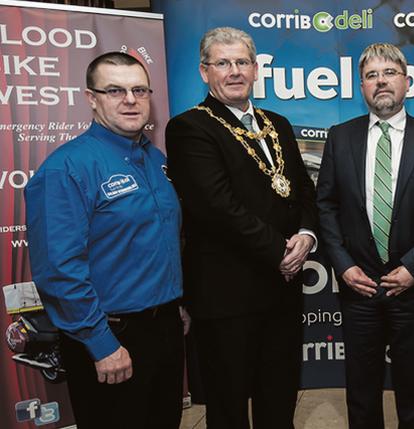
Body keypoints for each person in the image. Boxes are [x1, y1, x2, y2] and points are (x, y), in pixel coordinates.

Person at [165, 27, 317, 428]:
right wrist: (280, 253)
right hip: (226, 294)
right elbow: (217, 208)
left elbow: (301, 189)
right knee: (229, 405)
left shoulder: (278, 123)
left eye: (242, 62)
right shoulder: (189, 128)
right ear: (204, 71)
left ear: (255, 69)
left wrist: (306, 234)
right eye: (223, 63)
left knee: (279, 397)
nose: (234, 71)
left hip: (282, 292)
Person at [25, 52, 186, 429]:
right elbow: (58, 270)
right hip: (109, 334)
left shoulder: (155, 159)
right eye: (115, 90)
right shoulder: (66, 168)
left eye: (139, 90)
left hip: (163, 329)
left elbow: (162, 239)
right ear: (91, 97)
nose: (130, 99)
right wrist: (101, 343)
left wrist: (175, 303)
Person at [316, 42, 414, 429]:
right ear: (361, 87)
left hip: (413, 287)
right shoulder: (339, 137)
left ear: (407, 82)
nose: (381, 82)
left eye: (389, 73)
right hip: (358, 287)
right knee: (361, 390)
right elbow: (325, 205)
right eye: (371, 76)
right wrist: (343, 267)